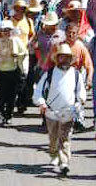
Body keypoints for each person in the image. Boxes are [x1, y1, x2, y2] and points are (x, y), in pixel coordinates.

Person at [33, 43, 86, 177]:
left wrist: (80, 100)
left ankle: (64, 163)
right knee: (53, 137)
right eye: (62, 57)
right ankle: (54, 153)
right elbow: (38, 91)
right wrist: (41, 103)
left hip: (69, 112)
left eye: (67, 57)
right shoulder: (49, 74)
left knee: (65, 137)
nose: (65, 60)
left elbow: (81, 91)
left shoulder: (76, 74)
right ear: (58, 59)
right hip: (51, 112)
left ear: (70, 59)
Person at [0, 20, 26, 125]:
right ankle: (0, 113)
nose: (6, 32)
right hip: (0, 70)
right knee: (1, 94)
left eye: (8, 30)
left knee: (11, 95)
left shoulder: (16, 40)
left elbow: (24, 52)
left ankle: (8, 115)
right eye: (4, 30)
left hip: (12, 70)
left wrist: (18, 55)